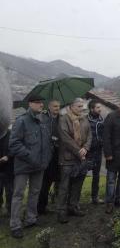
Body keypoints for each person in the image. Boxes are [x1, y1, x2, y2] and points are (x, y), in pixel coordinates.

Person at [9, 95, 52, 239]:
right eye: (38, 103)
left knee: (35, 192)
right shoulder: (21, 121)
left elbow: (46, 142)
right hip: (24, 165)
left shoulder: (43, 120)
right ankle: (15, 225)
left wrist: (46, 158)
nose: (41, 105)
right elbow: (14, 144)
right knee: (18, 195)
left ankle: (30, 219)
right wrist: (30, 156)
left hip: (39, 165)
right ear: (30, 104)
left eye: (42, 102)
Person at [56, 98, 92, 224]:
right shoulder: (63, 119)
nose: (81, 108)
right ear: (71, 106)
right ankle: (61, 211)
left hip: (81, 159)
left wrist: (86, 148)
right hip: (67, 159)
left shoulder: (84, 119)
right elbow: (65, 138)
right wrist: (79, 151)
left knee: (77, 185)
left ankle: (73, 207)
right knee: (64, 187)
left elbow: (89, 135)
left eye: (82, 106)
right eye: (78, 106)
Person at [38, 99, 61, 214]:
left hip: (58, 154)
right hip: (46, 155)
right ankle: (41, 207)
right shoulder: (43, 118)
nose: (57, 108)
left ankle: (55, 200)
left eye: (59, 106)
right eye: (55, 106)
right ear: (49, 107)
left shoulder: (61, 119)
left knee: (56, 179)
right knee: (45, 182)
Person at [86, 99, 105, 204]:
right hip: (87, 152)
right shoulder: (85, 120)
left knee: (96, 175)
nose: (100, 109)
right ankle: (74, 199)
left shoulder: (102, 120)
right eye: (97, 107)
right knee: (82, 175)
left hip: (98, 151)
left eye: (100, 107)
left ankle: (95, 197)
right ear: (92, 108)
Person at [0, 128, 14, 216]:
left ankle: (10, 210)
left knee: (10, 191)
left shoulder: (10, 133)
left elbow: (15, 148)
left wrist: (8, 156)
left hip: (9, 168)